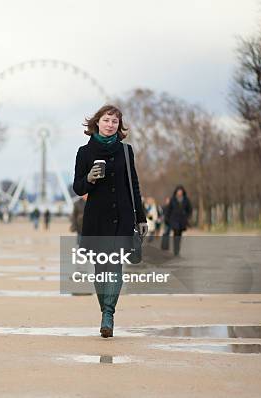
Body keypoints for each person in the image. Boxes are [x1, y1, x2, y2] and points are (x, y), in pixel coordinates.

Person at [73, 104, 148, 339]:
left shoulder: (126, 151)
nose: (110, 125)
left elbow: (134, 185)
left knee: (114, 266)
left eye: (115, 122)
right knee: (100, 269)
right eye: (106, 120)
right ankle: (104, 308)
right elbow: (77, 187)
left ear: (119, 126)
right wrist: (89, 178)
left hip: (122, 216)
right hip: (97, 218)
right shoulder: (84, 153)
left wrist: (141, 217)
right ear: (97, 122)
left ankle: (108, 314)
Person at [162, 185, 192, 256]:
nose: (179, 192)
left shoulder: (186, 200)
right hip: (174, 220)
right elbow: (169, 210)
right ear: (176, 192)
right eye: (178, 191)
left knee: (179, 235)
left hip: (182, 220)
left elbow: (189, 209)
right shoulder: (172, 199)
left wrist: (187, 216)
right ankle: (176, 250)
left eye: (180, 191)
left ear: (182, 192)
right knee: (176, 233)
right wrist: (167, 218)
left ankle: (177, 249)